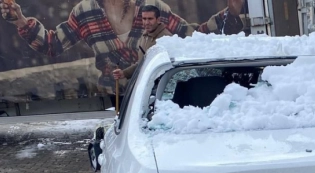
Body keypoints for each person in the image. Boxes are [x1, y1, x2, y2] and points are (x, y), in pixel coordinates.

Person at [0, 0, 248, 97]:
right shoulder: (85, 12)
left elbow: (193, 37)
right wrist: (20, 21)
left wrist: (231, 13)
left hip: (153, 95)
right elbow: (52, 44)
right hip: (113, 98)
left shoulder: (153, 8)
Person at [112, 5, 168, 81]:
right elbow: (142, 63)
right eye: (144, 19)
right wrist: (124, 73)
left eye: (150, 19)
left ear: (158, 20)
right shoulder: (145, 36)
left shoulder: (166, 39)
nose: (146, 22)